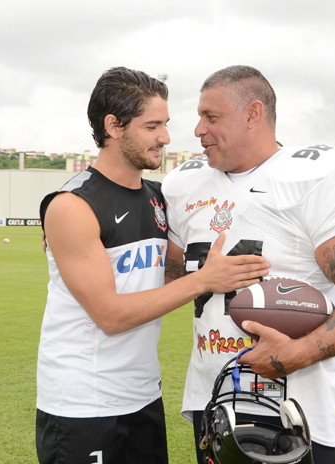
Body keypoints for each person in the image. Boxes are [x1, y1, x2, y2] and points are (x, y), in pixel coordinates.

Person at [162, 65, 335, 464]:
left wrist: (298, 353)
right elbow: (163, 281)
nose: (198, 129)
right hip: (214, 401)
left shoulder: (310, 178)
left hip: (295, 413)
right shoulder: (183, 185)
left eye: (212, 117)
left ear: (253, 114)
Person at [35, 67, 270, 464]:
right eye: (152, 126)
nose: (165, 136)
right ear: (113, 126)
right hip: (82, 404)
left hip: (143, 395)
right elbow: (109, 315)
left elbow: (170, 273)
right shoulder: (72, 206)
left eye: (166, 124)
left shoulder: (159, 198)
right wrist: (204, 280)